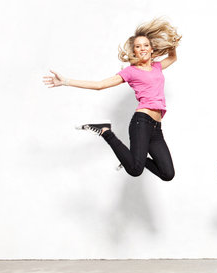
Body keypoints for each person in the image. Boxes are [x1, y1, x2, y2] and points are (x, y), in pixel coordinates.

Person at [43, 18, 181, 181]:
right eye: (138, 46)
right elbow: (100, 85)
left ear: (152, 49)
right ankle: (105, 132)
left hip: (156, 128)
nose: (142, 49)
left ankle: (129, 158)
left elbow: (173, 57)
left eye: (145, 45)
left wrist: (171, 40)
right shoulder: (131, 71)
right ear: (134, 51)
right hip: (142, 123)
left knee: (167, 174)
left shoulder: (157, 67)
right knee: (135, 170)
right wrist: (66, 81)